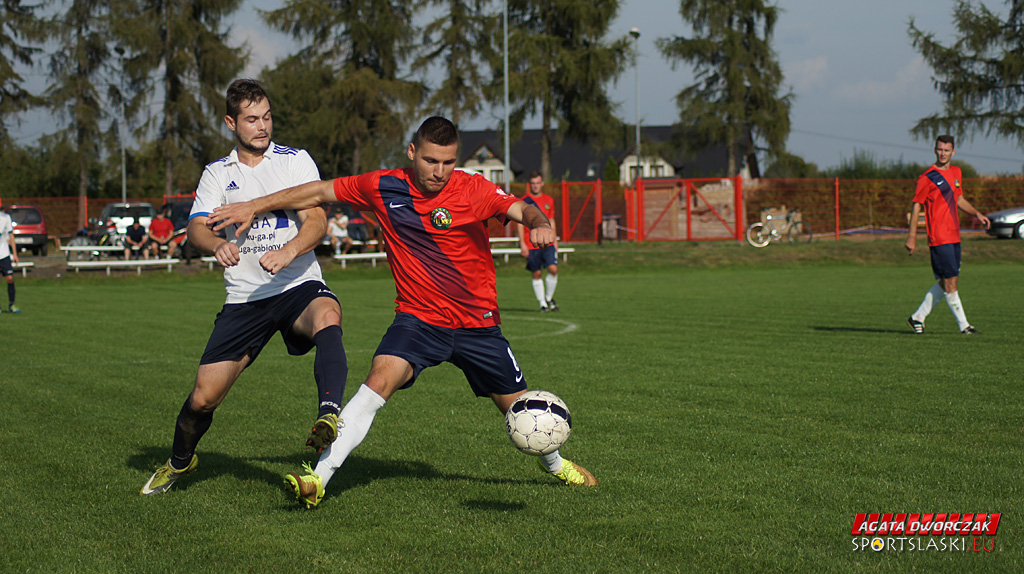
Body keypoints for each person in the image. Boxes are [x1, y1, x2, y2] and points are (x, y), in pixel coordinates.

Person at [209, 116, 598, 509]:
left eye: (448, 162)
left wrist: (542, 223)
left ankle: (555, 464)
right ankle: (317, 479)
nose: (440, 172)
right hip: (419, 320)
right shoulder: (384, 186)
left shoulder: (472, 188)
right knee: (378, 379)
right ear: (412, 152)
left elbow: (520, 209)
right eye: (431, 161)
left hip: (477, 326)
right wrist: (256, 205)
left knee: (521, 410)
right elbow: (320, 190)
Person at [140, 79, 349, 496]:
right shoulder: (217, 173)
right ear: (231, 122)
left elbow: (317, 221)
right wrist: (216, 244)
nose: (262, 126)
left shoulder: (294, 161)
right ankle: (179, 462)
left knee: (328, 314)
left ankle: (329, 414)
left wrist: (290, 252)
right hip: (245, 299)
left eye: (267, 117)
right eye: (252, 119)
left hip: (296, 284)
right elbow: (196, 228)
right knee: (203, 398)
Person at [905, 135, 991, 335]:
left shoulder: (956, 172)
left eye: (946, 150)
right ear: (935, 150)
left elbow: (959, 199)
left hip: (954, 235)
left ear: (953, 152)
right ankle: (964, 326)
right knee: (950, 282)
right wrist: (911, 237)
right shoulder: (927, 177)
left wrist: (977, 213)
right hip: (939, 236)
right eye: (939, 149)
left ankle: (917, 317)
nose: (942, 153)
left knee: (948, 281)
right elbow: (916, 205)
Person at [517, 171, 559, 312]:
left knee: (553, 269)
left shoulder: (549, 200)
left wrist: (555, 239)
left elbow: (551, 220)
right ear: (530, 185)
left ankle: (548, 298)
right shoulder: (524, 201)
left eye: (538, 183)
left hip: (548, 242)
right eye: (533, 184)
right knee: (537, 273)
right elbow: (519, 223)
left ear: (542, 184)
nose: (535, 186)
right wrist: (522, 243)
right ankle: (542, 303)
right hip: (532, 243)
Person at [0, 198, 20, 313]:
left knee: (10, 278)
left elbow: (11, 235)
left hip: (4, 254)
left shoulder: (5, 218)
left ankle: (11, 305)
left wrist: (15, 254)